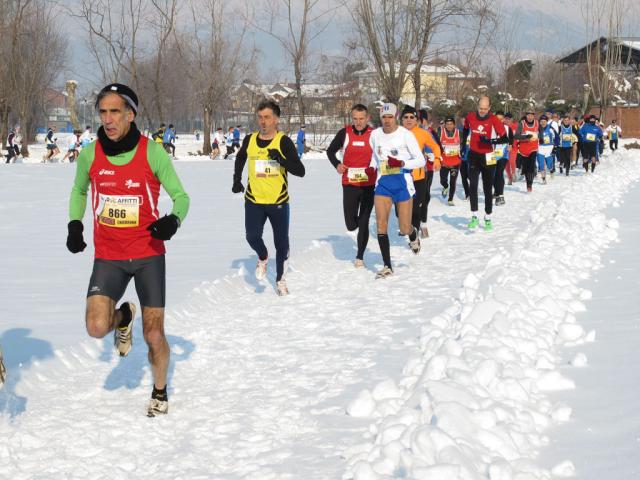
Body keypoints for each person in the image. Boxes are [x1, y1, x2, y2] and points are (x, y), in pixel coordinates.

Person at [66, 83, 190, 417]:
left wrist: (173, 221)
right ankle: (123, 317)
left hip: (148, 253)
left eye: (115, 111)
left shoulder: (152, 152)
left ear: (130, 114)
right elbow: (79, 190)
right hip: (109, 255)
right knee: (95, 327)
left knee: (153, 334)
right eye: (103, 112)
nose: (108, 119)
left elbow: (182, 197)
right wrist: (74, 224)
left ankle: (160, 390)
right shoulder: (91, 153)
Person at [232, 100, 305, 296]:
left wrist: (280, 158)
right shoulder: (250, 140)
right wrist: (236, 180)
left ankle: (280, 280)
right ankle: (263, 257)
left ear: (276, 120)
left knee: (281, 243)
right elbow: (240, 158)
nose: (263, 122)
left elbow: (300, 170)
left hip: (278, 202)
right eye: (260, 117)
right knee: (252, 236)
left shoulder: (283, 141)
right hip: (254, 200)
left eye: (267, 117)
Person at [369, 103, 425, 278]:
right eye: (384, 117)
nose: (387, 120)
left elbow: (421, 160)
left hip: (402, 183)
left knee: (404, 227)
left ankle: (413, 234)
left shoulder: (405, 135)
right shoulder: (375, 134)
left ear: (396, 116)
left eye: (390, 117)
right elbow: (374, 155)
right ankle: (387, 266)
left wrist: (402, 163)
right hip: (383, 184)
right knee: (381, 225)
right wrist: (371, 167)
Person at [326, 104, 375, 268]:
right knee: (351, 224)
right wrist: (337, 165)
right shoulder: (344, 133)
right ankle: (356, 227)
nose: (358, 122)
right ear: (351, 118)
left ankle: (360, 256)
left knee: (364, 221)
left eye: (362, 119)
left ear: (367, 118)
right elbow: (330, 151)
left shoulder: (374, 134)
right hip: (350, 184)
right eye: (355, 118)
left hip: (369, 184)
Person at [461, 96, 507, 231]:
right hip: (474, 155)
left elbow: (504, 138)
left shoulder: (493, 119)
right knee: (473, 185)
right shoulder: (470, 117)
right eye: (480, 108)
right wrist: (463, 146)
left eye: (485, 109)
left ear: (489, 108)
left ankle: (487, 217)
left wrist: (491, 141)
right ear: (477, 106)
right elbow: (465, 129)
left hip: (489, 156)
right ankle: (474, 216)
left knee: (487, 188)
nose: (482, 111)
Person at [402, 106, 441, 239]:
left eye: (411, 117)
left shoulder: (422, 133)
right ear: (401, 119)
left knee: (416, 207)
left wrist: (436, 159)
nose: (408, 120)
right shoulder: (396, 133)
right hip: (400, 177)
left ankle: (415, 232)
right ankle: (406, 226)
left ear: (416, 120)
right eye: (405, 117)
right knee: (400, 209)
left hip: (418, 176)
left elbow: (435, 146)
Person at [438, 116, 463, 206]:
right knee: (442, 180)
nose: (449, 126)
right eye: (447, 124)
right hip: (444, 162)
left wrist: (462, 151)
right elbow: (436, 144)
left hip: (455, 162)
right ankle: (445, 186)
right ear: (445, 125)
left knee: (453, 181)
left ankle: (450, 199)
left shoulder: (459, 133)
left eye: (451, 124)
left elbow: (463, 145)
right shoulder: (440, 132)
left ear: (454, 124)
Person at [513, 108, 539, 193]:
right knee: (527, 168)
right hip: (523, 149)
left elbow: (541, 132)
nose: (530, 117)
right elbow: (516, 136)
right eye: (528, 115)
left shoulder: (537, 123)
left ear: (534, 116)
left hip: (533, 148)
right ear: (526, 116)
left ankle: (529, 185)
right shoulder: (522, 124)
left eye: (532, 115)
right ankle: (527, 181)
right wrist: (525, 137)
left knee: (531, 166)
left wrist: (541, 137)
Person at [492, 111, 513, 206]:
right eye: (497, 119)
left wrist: (510, 146)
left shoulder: (508, 129)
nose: (499, 121)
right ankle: (496, 192)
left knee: (499, 172)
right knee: (492, 175)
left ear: (504, 119)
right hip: (491, 155)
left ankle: (500, 196)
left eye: (501, 119)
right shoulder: (490, 128)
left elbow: (510, 142)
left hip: (503, 155)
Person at [536, 115, 558, 184]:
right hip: (540, 148)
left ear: (547, 121)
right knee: (541, 164)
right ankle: (543, 179)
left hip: (549, 148)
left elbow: (557, 138)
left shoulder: (551, 128)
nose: (543, 123)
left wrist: (555, 147)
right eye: (541, 121)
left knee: (549, 165)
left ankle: (551, 170)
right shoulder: (537, 129)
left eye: (544, 121)